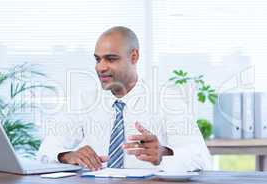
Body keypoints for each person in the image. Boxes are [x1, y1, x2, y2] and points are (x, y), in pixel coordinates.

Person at [38, 26, 212, 172]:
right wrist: (67, 155)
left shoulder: (167, 100)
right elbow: (45, 151)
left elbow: (201, 159)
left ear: (134, 57)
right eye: (98, 59)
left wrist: (163, 153)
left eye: (111, 59)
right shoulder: (84, 100)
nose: (100, 67)